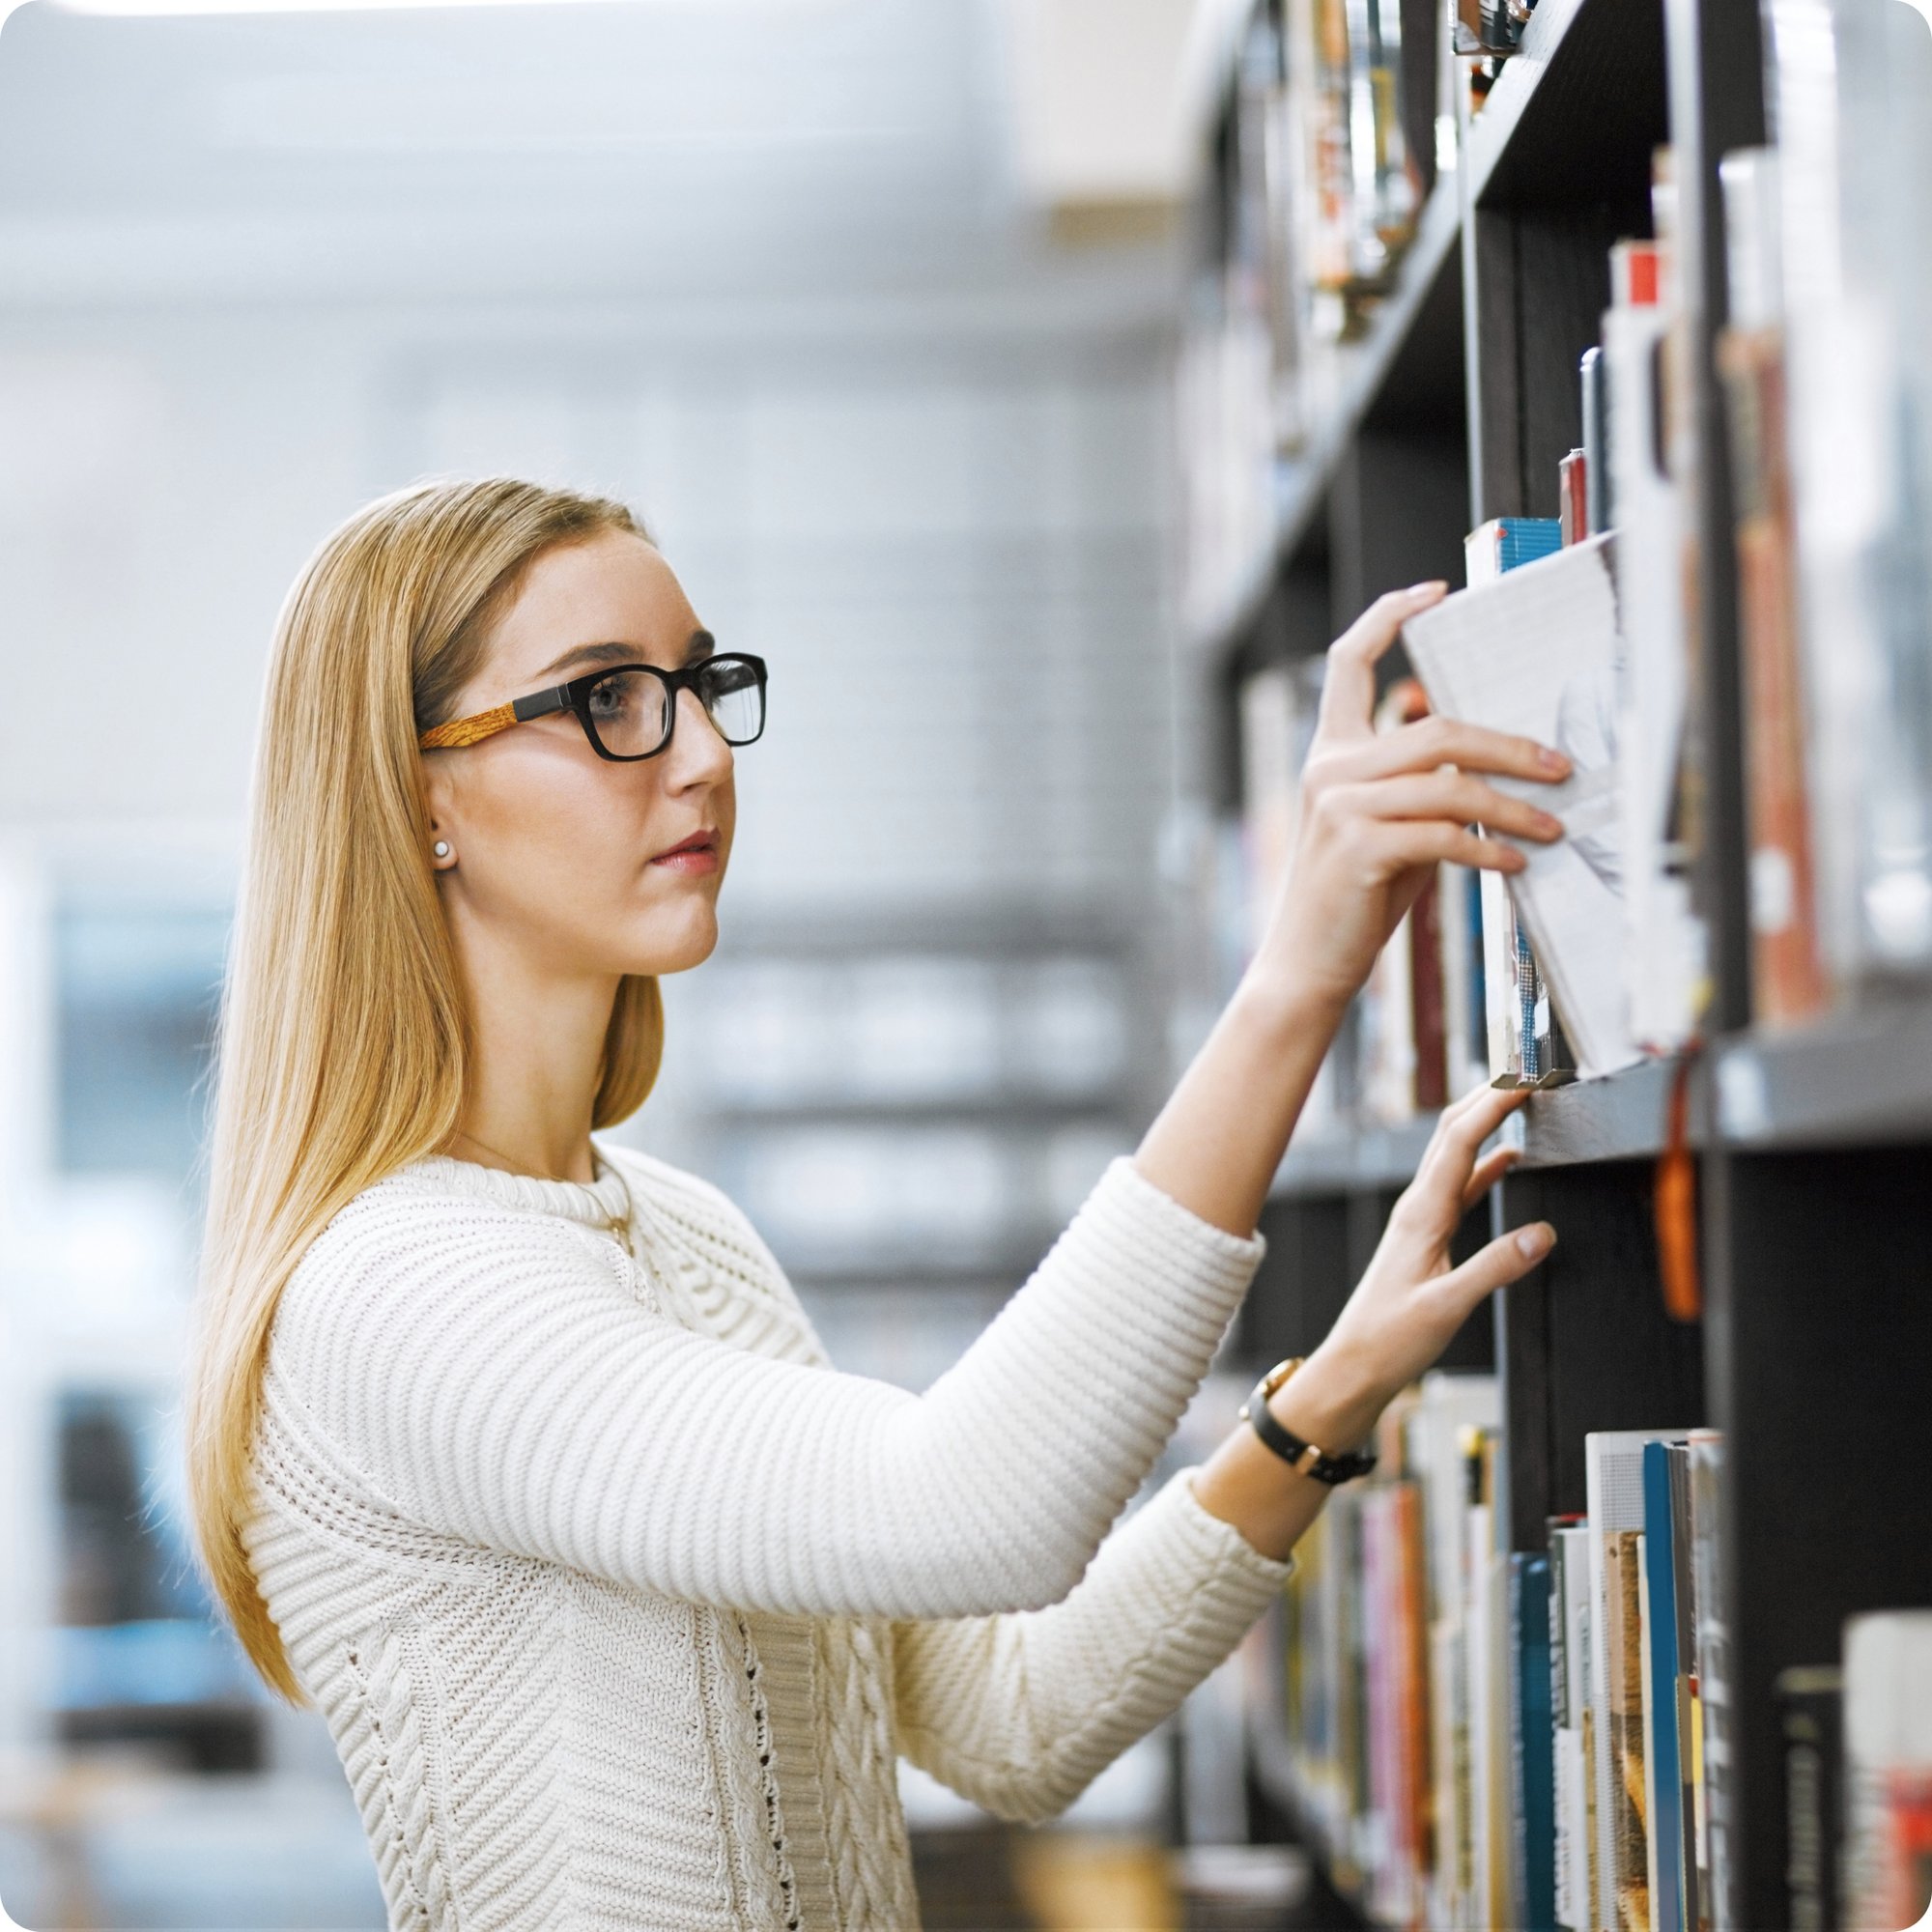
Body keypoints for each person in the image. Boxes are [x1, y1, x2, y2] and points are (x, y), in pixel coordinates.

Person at [184, 477, 1571, 1932]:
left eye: (700, 685)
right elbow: (974, 1509)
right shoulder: (393, 1293)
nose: (703, 755)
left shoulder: (687, 1238)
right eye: (608, 700)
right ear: (420, 798)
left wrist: (1329, 1398)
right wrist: (1299, 974)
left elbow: (1010, 1720)